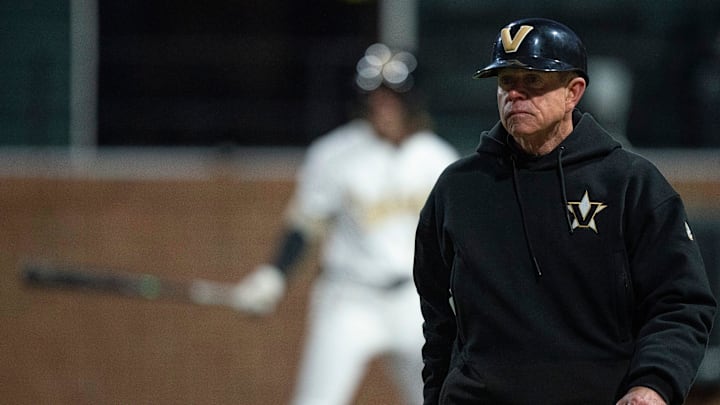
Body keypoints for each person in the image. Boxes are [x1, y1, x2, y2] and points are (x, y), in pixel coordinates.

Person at [412, 17, 717, 405]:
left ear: (573, 92)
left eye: (533, 81)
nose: (515, 94)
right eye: (506, 81)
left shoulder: (630, 183)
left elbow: (682, 302)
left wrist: (653, 385)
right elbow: (438, 318)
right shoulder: (458, 188)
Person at [230, 43, 459, 405]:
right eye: (376, 96)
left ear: (412, 100)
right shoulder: (334, 154)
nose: (382, 106)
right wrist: (274, 275)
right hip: (350, 298)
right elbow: (305, 224)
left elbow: (456, 240)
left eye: (392, 97)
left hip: (413, 301)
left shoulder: (439, 159)